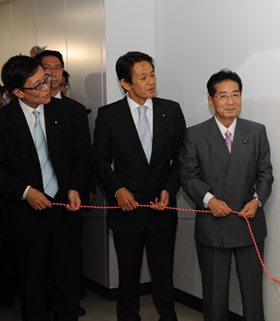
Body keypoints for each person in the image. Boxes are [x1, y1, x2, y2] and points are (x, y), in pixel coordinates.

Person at [92, 51, 186, 321]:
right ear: (125, 83)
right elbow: (99, 160)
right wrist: (117, 190)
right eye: (142, 77)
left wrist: (170, 188)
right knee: (128, 276)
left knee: (163, 274)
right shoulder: (109, 115)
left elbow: (181, 158)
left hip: (161, 209)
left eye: (152, 74)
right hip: (126, 211)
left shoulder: (172, 109)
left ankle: (168, 317)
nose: (151, 81)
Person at [0, 55, 91, 320]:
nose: (47, 87)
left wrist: (75, 187)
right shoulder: (4, 121)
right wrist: (26, 192)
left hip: (66, 212)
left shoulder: (70, 112)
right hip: (25, 217)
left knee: (67, 283)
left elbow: (82, 156)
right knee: (32, 286)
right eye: (37, 85)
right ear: (17, 91)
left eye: (47, 79)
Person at [179, 69, 273, 321]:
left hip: (249, 221)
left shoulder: (256, 131)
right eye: (223, 96)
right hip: (213, 224)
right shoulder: (195, 134)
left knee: (253, 295)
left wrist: (257, 200)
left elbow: (266, 174)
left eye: (235, 94)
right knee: (214, 296)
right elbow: (187, 176)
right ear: (211, 101)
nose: (230, 101)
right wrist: (209, 200)